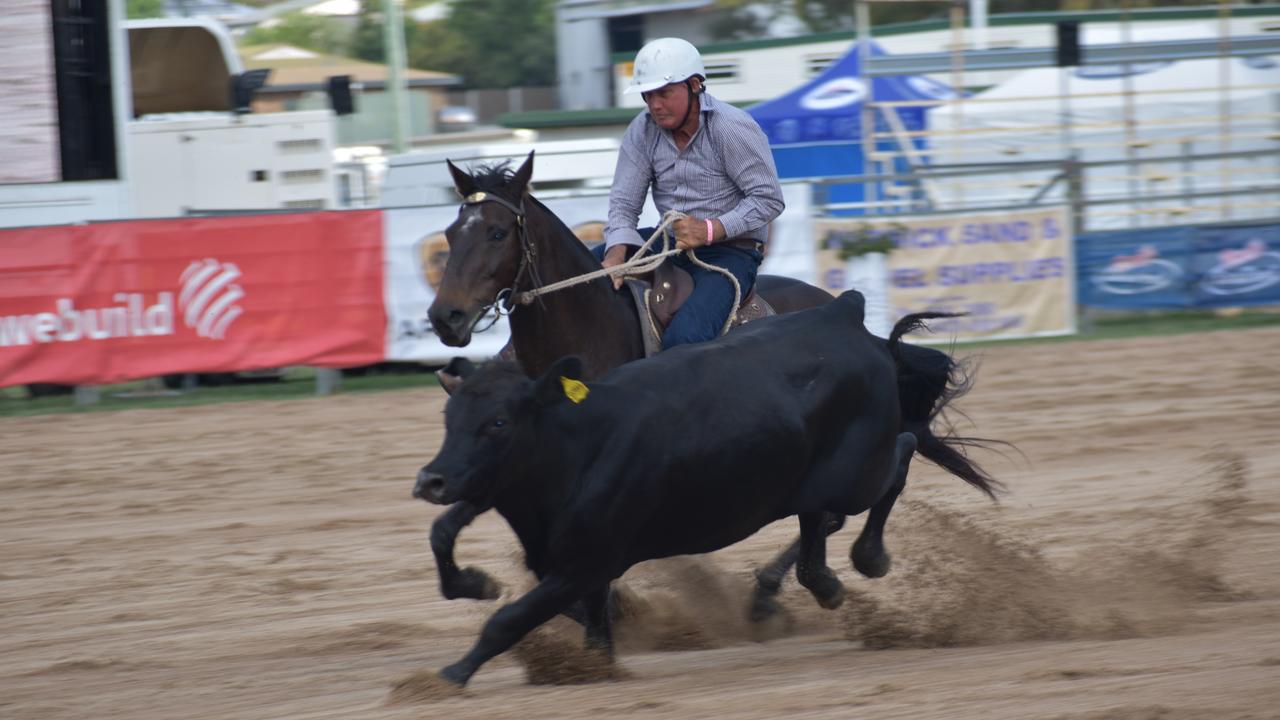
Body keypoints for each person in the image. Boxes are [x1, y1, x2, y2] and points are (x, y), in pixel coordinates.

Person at [599, 37, 784, 348]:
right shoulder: (641, 130)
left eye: (664, 93)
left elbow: (768, 199)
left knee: (685, 340)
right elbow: (623, 204)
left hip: (731, 251)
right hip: (669, 242)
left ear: (695, 85)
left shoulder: (730, 127)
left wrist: (709, 230)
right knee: (577, 272)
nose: (655, 104)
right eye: (648, 95)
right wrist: (615, 255)